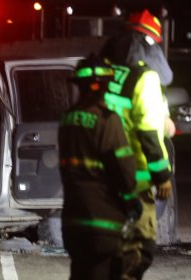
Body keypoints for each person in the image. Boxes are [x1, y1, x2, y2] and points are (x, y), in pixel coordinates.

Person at [100, 9, 172, 279]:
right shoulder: (145, 79)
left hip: (104, 175)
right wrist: (162, 175)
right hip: (134, 180)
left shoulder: (106, 74)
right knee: (140, 249)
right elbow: (148, 133)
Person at [59, 54, 141, 280]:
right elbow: (123, 169)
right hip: (101, 222)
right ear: (103, 86)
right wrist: (132, 198)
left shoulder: (67, 119)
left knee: (79, 273)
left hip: (73, 222)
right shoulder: (107, 120)